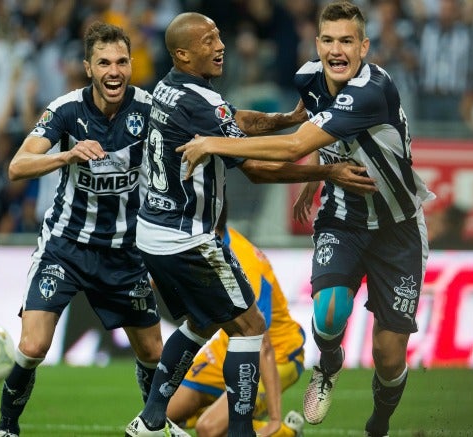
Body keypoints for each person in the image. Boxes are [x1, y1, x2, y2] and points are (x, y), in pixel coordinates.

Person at [176, 3, 434, 436]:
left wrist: (218, 144)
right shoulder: (310, 77)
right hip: (343, 218)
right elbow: (307, 120)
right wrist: (317, 176)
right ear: (317, 45)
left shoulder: (373, 90)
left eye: (347, 41)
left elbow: (294, 141)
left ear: (364, 47)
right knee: (329, 311)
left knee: (389, 357)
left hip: (398, 228)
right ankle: (328, 365)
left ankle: (380, 422)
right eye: (329, 40)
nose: (337, 50)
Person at [125, 11, 376, 437]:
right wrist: (327, 173)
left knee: (203, 322)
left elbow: (232, 120)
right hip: (188, 236)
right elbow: (258, 169)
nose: (220, 46)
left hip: (153, 233)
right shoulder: (200, 101)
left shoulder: (167, 89)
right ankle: (240, 432)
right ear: (184, 54)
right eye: (208, 41)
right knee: (250, 328)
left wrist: (285, 120)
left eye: (219, 36)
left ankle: (150, 419)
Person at [0, 22, 167, 437]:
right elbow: (17, 166)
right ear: (88, 67)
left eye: (122, 61)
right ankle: (6, 427)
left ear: (131, 65)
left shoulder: (149, 109)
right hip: (66, 246)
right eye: (104, 62)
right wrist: (67, 155)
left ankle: (155, 424)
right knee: (33, 346)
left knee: (152, 352)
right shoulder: (66, 109)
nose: (114, 71)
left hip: (125, 252)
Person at [166, 206, 306, 437]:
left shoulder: (245, 264)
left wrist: (274, 418)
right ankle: (217, 413)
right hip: (228, 346)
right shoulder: (205, 247)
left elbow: (263, 344)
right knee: (161, 415)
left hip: (277, 354)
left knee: (208, 430)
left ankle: (286, 432)